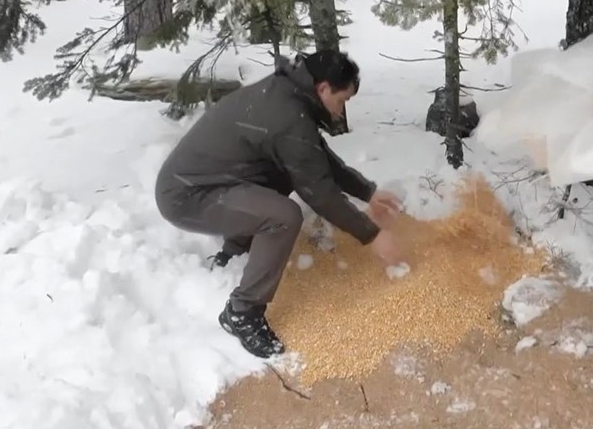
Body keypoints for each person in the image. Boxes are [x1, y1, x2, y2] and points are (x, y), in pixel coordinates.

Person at [154, 50, 407, 359]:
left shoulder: (289, 94)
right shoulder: (287, 116)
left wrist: (367, 192)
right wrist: (373, 235)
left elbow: (314, 159)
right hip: (187, 196)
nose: (340, 113)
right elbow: (321, 193)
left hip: (214, 180)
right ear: (324, 88)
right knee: (285, 216)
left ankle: (236, 248)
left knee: (289, 172)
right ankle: (242, 312)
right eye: (342, 101)